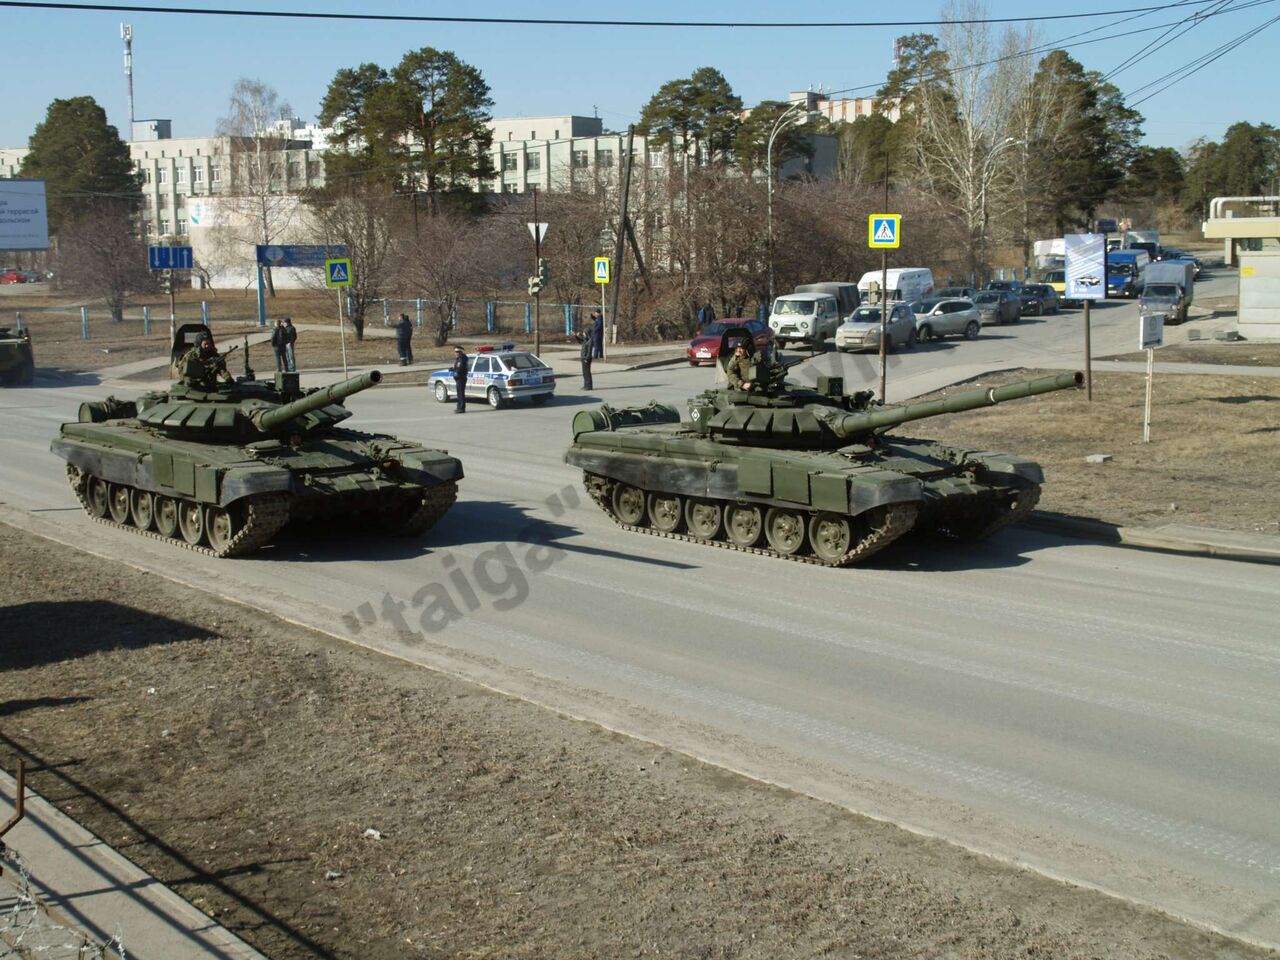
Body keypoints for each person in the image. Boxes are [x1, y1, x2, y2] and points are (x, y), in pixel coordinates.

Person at [450, 345, 468, 413]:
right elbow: (457, 368)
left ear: (460, 352)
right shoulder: (459, 359)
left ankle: (461, 408)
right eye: (455, 352)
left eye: (457, 352)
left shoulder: (462, 359)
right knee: (459, 394)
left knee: (460, 394)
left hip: (461, 378)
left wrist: (455, 371)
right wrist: (453, 369)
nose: (456, 353)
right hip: (459, 378)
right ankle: (459, 407)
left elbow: (460, 369)